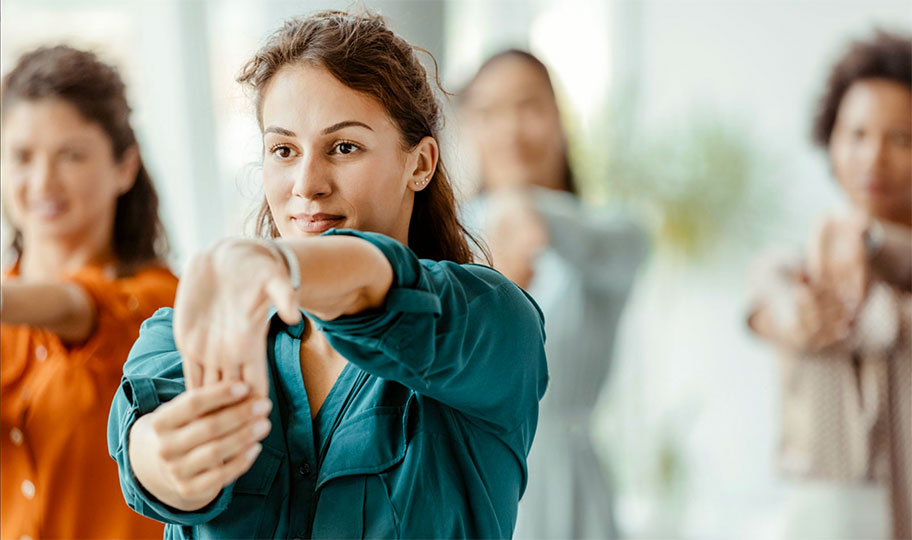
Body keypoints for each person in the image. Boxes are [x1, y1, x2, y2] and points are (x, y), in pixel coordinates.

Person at [107, 11, 548, 539]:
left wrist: (282, 263)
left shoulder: (491, 324)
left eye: (344, 147)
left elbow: (371, 279)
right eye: (284, 150)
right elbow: (148, 454)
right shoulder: (180, 336)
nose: (307, 183)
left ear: (421, 164)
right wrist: (166, 463)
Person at [459, 50, 648, 539]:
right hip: (466, 486)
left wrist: (523, 210)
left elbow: (607, 244)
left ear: (560, 120)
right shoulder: (445, 245)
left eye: (529, 107)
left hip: (570, 497)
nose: (510, 130)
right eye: (488, 113)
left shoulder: (610, 235)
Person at [0, 46, 176, 539]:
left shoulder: (160, 304)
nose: (41, 181)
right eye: (21, 156)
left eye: (71, 155)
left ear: (124, 167)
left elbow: (79, 307)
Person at [748, 30, 911, 540]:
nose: (874, 158)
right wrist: (794, 312)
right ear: (831, 139)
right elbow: (767, 301)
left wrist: (867, 242)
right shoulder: (792, 265)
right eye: (857, 134)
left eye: (901, 138)